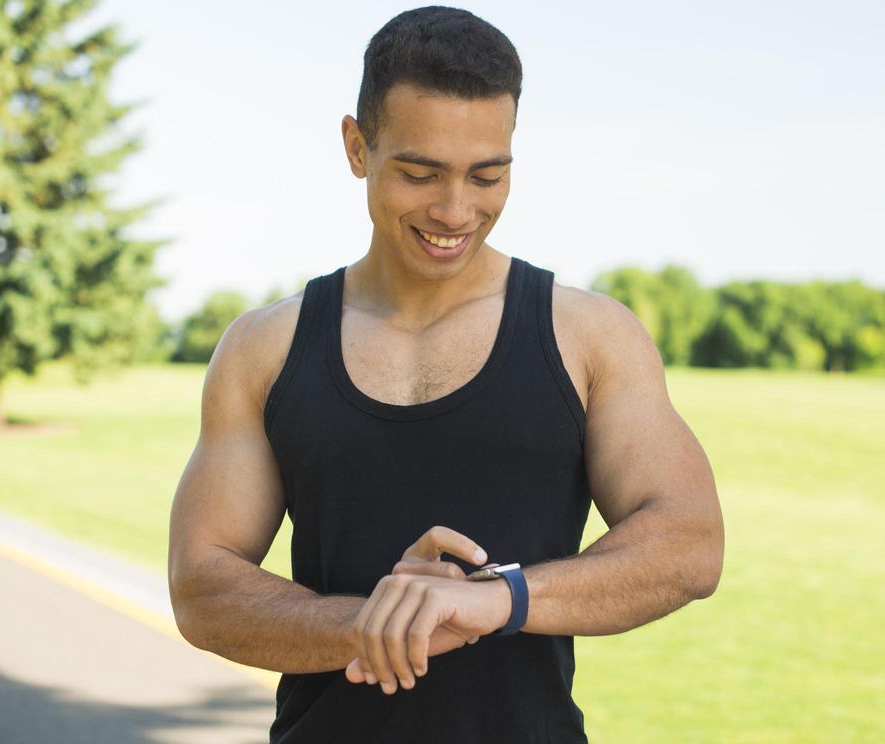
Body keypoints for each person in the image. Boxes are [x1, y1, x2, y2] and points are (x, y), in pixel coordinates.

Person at [167, 6, 724, 743]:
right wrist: (378, 625)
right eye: (421, 173)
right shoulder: (263, 347)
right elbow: (203, 586)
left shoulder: (590, 335)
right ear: (357, 146)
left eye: (487, 175)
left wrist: (499, 600)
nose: (456, 210)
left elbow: (689, 542)